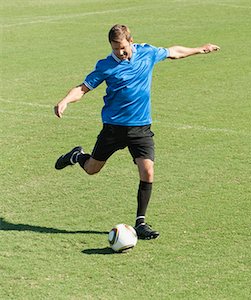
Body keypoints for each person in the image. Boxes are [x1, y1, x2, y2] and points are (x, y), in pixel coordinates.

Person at [54, 24, 220, 240]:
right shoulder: (106, 66)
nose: (120, 53)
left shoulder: (147, 53)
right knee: (92, 169)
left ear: (131, 41)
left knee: (148, 171)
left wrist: (200, 49)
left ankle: (141, 222)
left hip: (141, 127)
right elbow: (83, 88)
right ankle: (76, 156)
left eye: (123, 48)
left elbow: (173, 52)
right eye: (115, 49)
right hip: (113, 128)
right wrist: (65, 100)